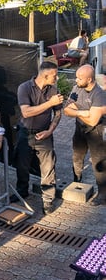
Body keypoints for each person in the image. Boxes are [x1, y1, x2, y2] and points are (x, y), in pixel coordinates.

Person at [15, 61, 64, 207]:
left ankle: (48, 200)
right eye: (55, 75)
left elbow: (58, 112)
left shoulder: (53, 90)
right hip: (26, 134)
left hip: (45, 134)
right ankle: (22, 191)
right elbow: (26, 112)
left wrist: (50, 130)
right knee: (22, 165)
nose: (57, 78)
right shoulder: (24, 88)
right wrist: (49, 103)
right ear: (45, 75)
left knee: (48, 167)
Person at [64, 64, 106, 205]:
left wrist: (76, 112)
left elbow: (94, 121)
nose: (76, 80)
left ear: (89, 79)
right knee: (77, 156)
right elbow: (67, 110)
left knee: (98, 163)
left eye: (79, 78)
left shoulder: (99, 94)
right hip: (80, 130)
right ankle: (77, 181)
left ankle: (102, 194)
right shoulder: (77, 88)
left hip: (96, 133)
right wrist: (84, 113)